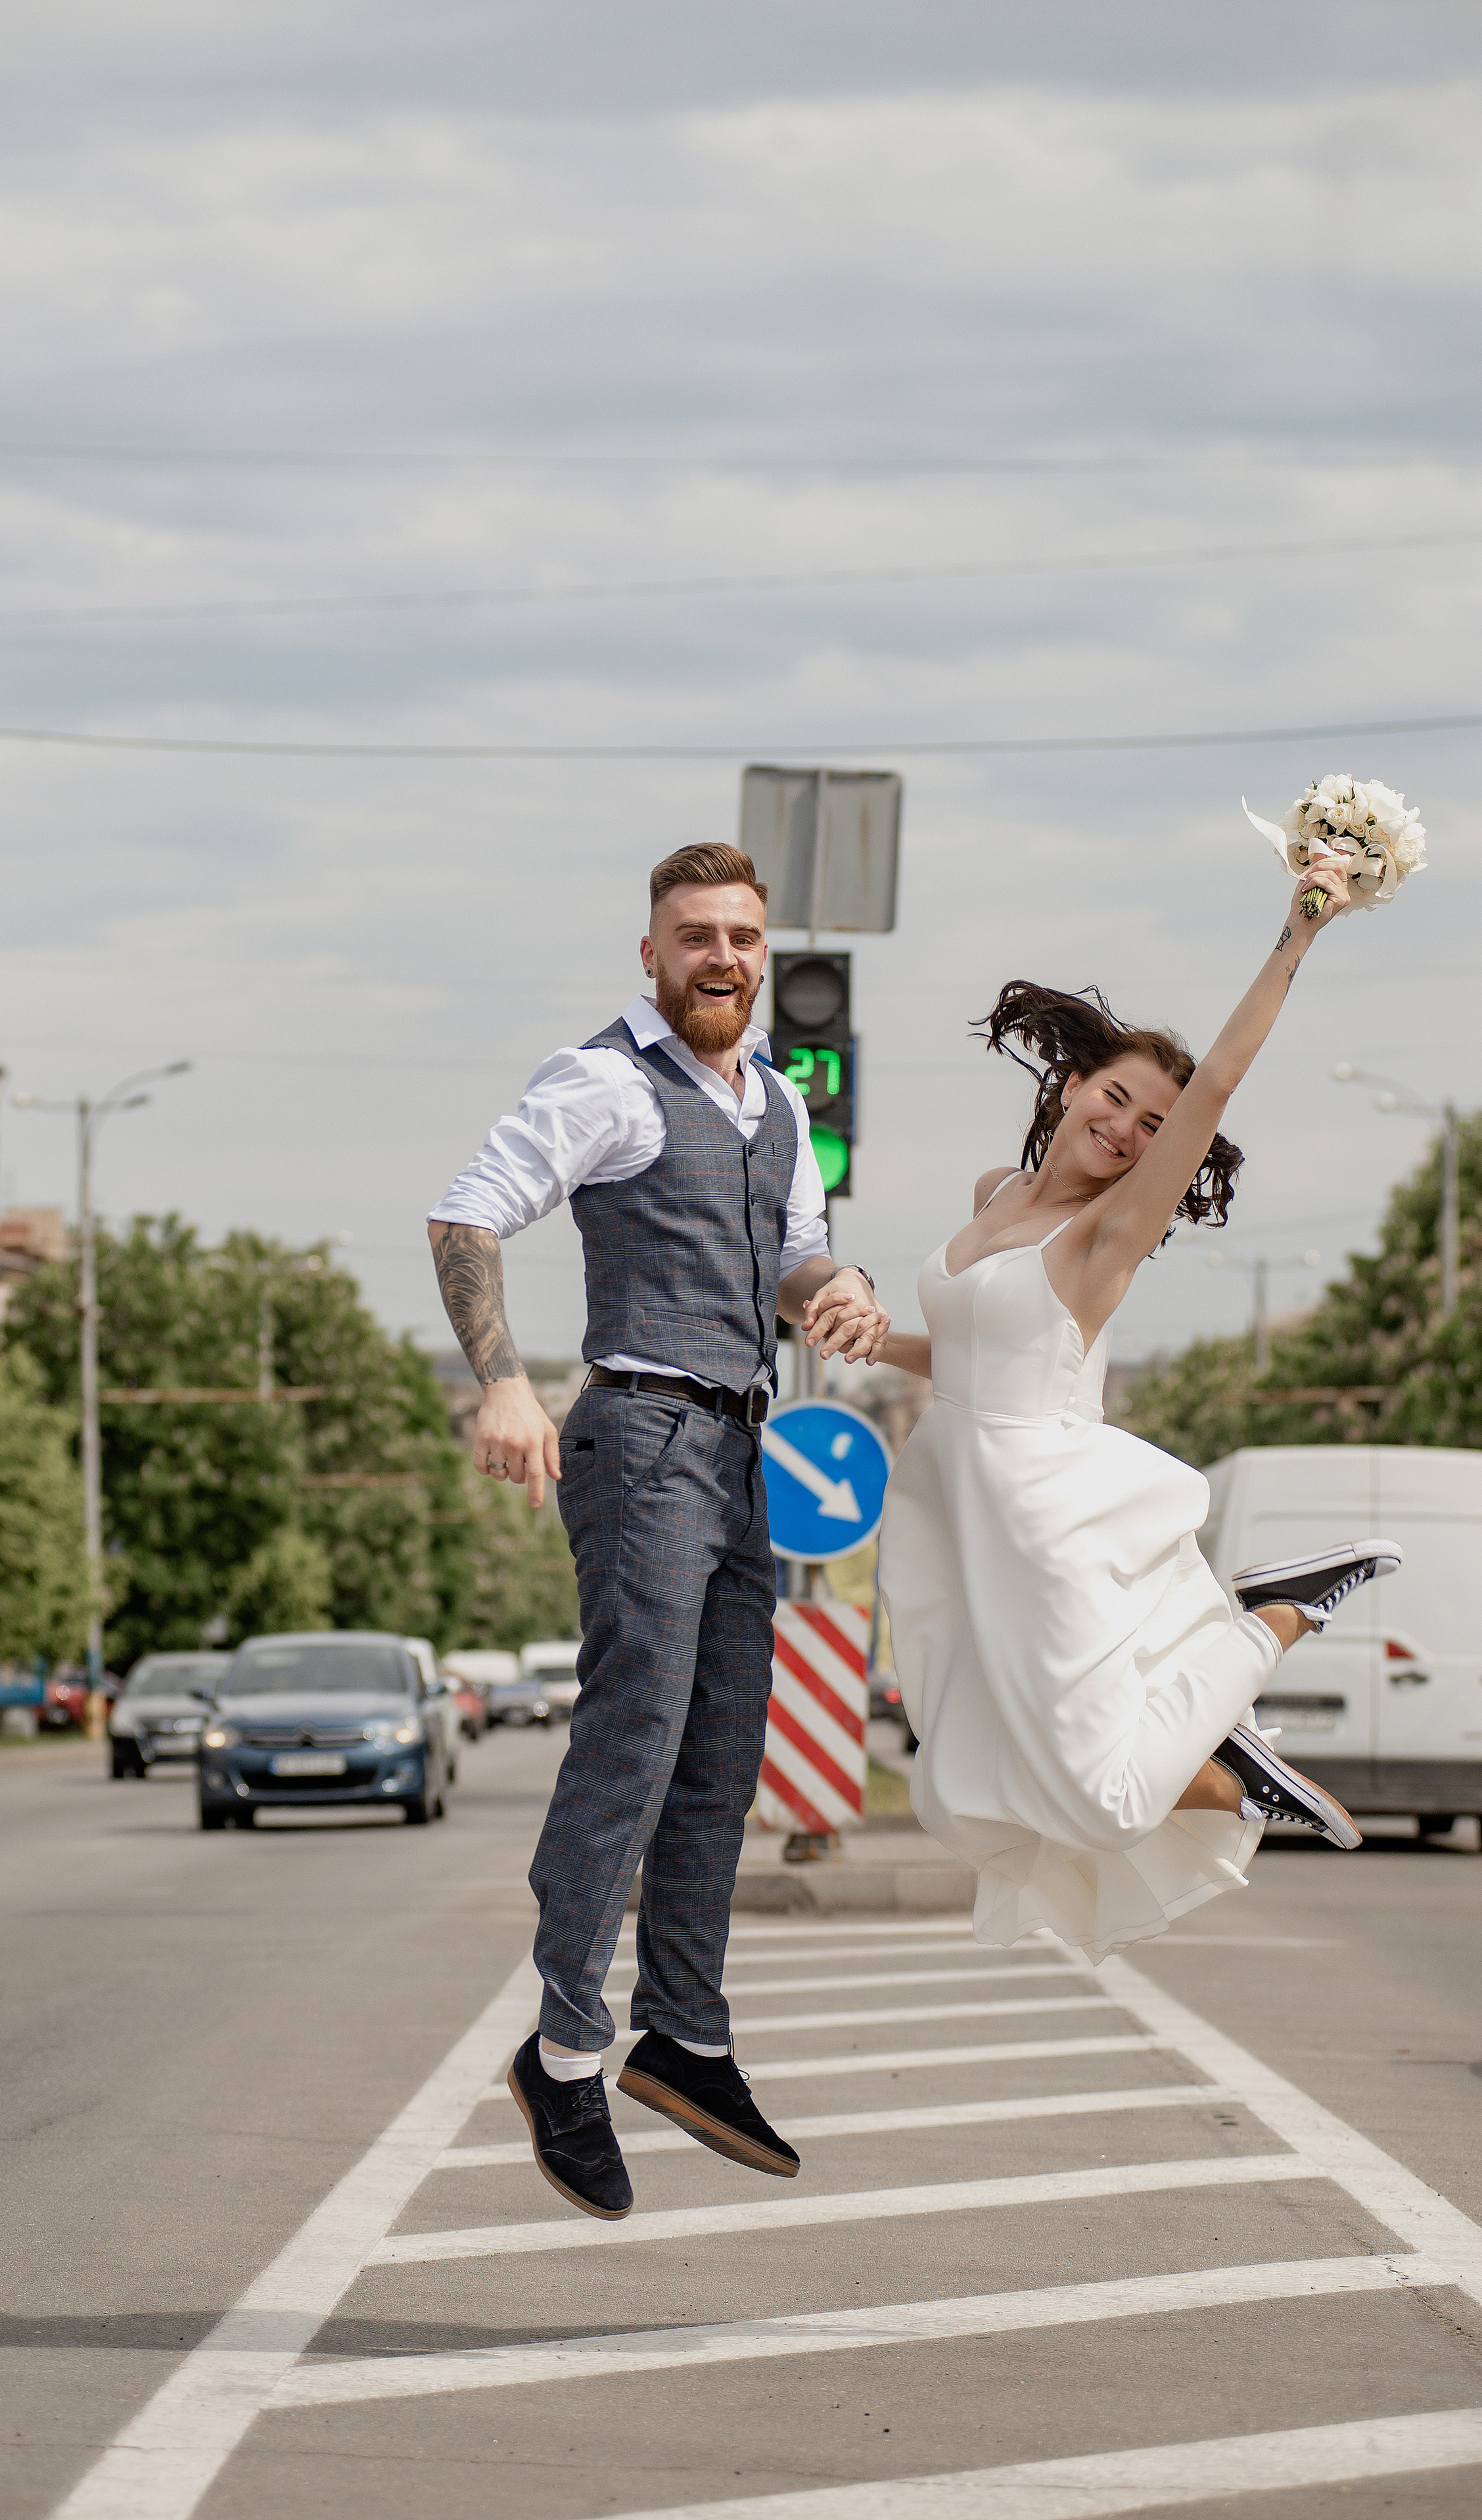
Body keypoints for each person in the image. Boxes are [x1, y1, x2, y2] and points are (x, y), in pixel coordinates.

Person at [427, 842, 889, 2217]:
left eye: (742, 936)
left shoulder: (776, 1106)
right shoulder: (601, 1082)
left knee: (722, 1746)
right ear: (649, 954)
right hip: (636, 1430)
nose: (722, 958)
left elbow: (795, 1255)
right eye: (694, 936)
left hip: (740, 1438)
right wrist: (504, 1381)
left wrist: (840, 1287)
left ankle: (683, 2038)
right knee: (632, 1737)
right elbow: (466, 1213)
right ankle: (565, 2051)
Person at [874, 857, 1401, 1961]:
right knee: (978, 1776)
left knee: (1104, 1799)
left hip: (1045, 1516)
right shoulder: (995, 1195)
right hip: (958, 1504)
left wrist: (1297, 934)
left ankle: (1273, 1620)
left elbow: (1217, 1087)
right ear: (1071, 1087)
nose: (1125, 1126)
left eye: (1152, 1123)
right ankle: (1230, 1767)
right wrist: (876, 1336)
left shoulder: (1104, 1240)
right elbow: (974, 1343)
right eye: (1115, 1095)